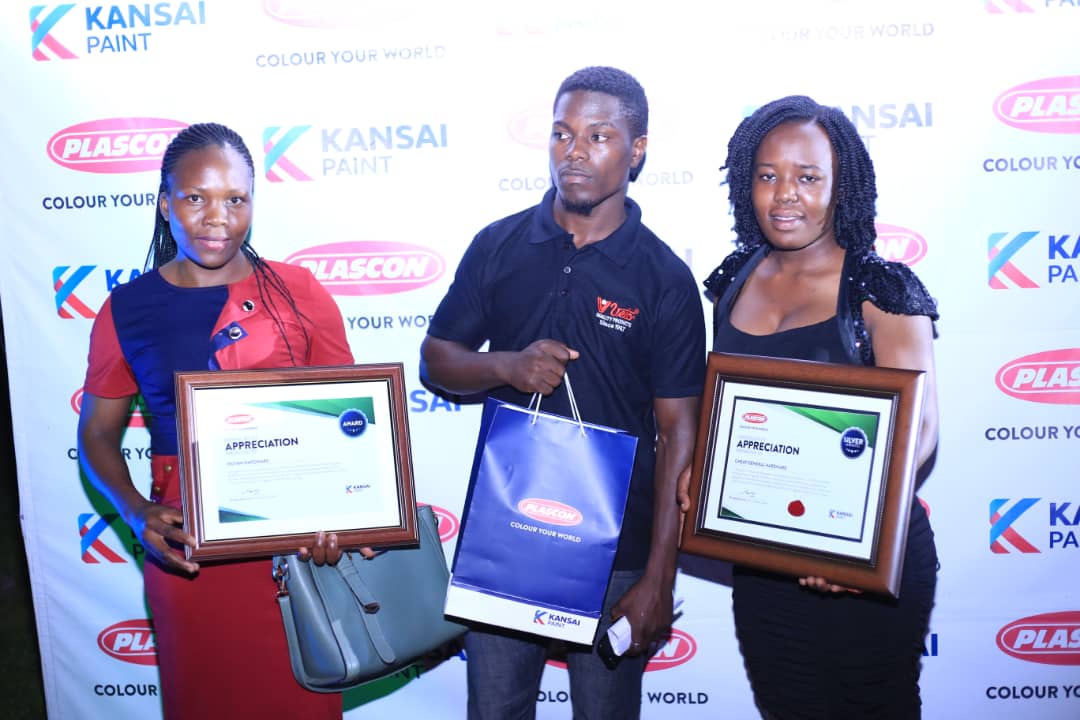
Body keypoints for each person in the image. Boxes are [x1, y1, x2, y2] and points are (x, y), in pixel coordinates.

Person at [420, 66, 705, 719]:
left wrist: (660, 576)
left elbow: (678, 433)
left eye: (598, 136)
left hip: (617, 550)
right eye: (561, 134)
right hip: (506, 536)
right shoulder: (499, 245)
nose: (574, 152)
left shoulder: (663, 278)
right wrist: (507, 366)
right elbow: (437, 359)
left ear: (637, 150)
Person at [77, 122, 355, 719]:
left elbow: (352, 421)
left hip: (298, 551)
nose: (217, 218)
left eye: (235, 199)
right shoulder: (127, 309)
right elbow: (97, 433)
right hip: (190, 553)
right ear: (164, 202)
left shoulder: (299, 292)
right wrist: (136, 511)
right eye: (195, 198)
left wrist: (348, 519)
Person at [694, 95, 939, 719]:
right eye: (767, 176)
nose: (785, 196)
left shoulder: (879, 288)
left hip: (865, 556)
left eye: (807, 178)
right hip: (765, 561)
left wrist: (849, 546)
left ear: (841, 188)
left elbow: (920, 429)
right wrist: (702, 467)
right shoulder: (732, 281)